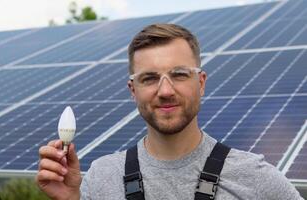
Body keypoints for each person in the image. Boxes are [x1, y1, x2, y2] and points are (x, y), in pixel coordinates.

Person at [36, 23, 303, 200]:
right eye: (149, 78)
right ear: (133, 90)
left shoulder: (256, 179)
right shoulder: (100, 178)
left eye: (179, 74)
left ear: (201, 83)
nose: (165, 90)